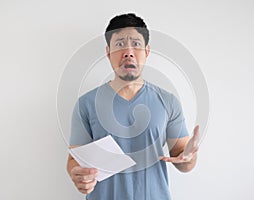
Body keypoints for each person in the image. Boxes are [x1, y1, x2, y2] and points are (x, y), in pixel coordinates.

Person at [67, 13, 199, 200]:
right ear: (108, 52)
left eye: (136, 44)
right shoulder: (86, 104)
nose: (128, 52)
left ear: (146, 51)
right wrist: (78, 174)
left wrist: (189, 158)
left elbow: (181, 157)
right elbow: (74, 161)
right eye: (120, 44)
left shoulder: (167, 101)